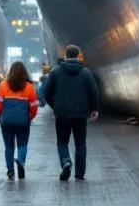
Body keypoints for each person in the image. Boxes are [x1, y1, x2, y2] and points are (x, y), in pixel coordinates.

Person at [42, 45, 101, 181]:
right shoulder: (86, 73)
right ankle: (79, 174)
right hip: (81, 114)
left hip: (62, 114)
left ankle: (66, 161)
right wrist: (94, 109)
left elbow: (47, 92)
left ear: (66, 55)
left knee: (62, 141)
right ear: (78, 55)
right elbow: (94, 92)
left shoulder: (56, 72)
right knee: (80, 143)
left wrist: (55, 106)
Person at [0, 61, 39, 181]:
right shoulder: (30, 86)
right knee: (22, 145)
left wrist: (0, 114)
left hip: (6, 122)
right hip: (23, 121)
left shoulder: (2, 85)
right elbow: (34, 105)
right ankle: (20, 161)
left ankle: (10, 171)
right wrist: (31, 116)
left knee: (9, 147)